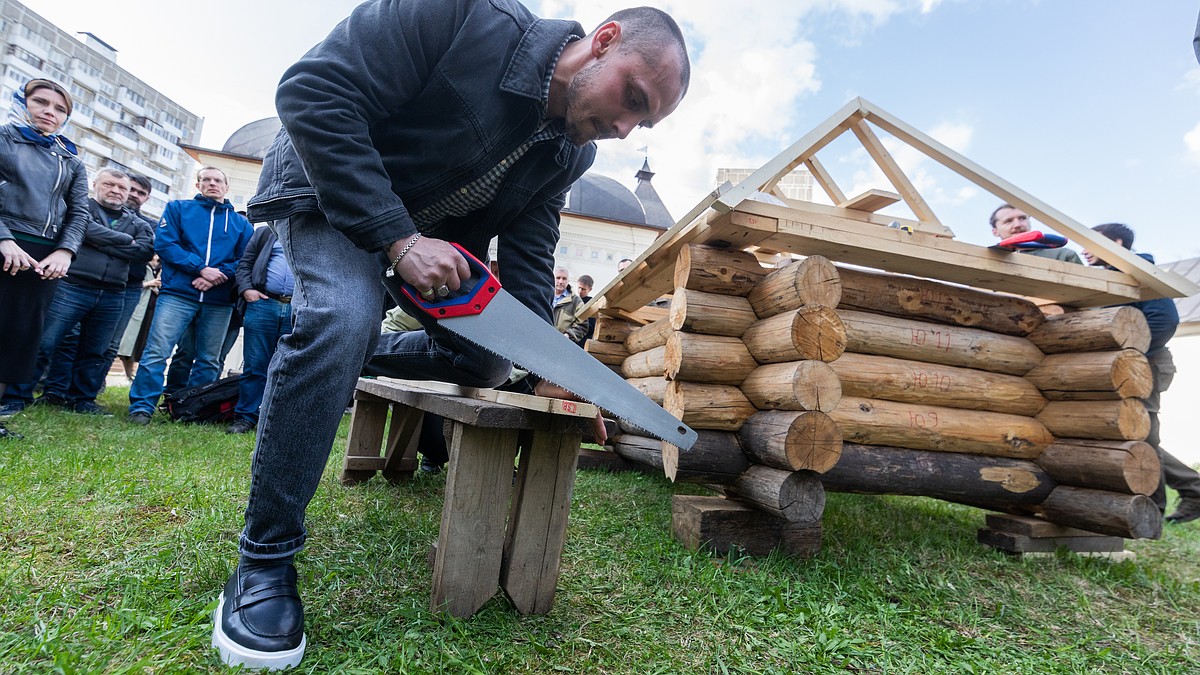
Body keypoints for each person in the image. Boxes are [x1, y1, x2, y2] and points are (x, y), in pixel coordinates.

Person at [211, 1, 690, 669]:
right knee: (341, 315)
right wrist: (398, 237)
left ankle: (354, 359)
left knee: (494, 362)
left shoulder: (567, 155)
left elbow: (527, 271)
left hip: (425, 243)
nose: (625, 126)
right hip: (327, 186)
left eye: (644, 121)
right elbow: (312, 92)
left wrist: (555, 369)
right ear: (604, 41)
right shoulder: (464, 16)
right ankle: (262, 563)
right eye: (632, 98)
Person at [3, 168, 153, 416]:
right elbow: (82, 231)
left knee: (96, 350)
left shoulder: (138, 222)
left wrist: (97, 241)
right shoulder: (80, 209)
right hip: (72, 286)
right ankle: (17, 396)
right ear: (95, 184)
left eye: (122, 187)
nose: (116, 190)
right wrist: (125, 240)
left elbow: (145, 252)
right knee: (45, 342)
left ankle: (82, 400)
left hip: (113, 292)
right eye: (109, 184)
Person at [1081, 223, 1200, 524]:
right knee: (1139, 434)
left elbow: (1164, 321)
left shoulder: (1141, 271)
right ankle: (1194, 488)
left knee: (1144, 436)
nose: (1084, 248)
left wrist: (1130, 357)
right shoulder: (1110, 277)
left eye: (1091, 242)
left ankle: (1152, 511)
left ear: (1117, 243)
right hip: (1128, 364)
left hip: (1144, 364)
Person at [126, 167, 252, 425]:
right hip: (178, 294)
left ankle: (193, 410)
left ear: (227, 187)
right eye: (206, 179)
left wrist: (216, 275)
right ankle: (142, 407)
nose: (212, 183)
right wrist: (200, 269)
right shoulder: (177, 209)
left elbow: (244, 259)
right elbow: (165, 244)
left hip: (218, 300)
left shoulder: (240, 224)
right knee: (157, 351)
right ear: (198, 185)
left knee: (208, 358)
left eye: (218, 180)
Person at [0, 79, 90, 439]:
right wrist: (4, 239)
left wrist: (65, 252)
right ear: (23, 103)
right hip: (6, 243)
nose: (49, 112)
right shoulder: (4, 138)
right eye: (41, 103)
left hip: (42, 259)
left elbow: (79, 213)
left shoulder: (72, 160)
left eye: (59, 109)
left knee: (17, 338)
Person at [228, 225, 295, 435]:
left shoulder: (312, 234)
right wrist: (247, 290)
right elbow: (245, 264)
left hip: (298, 308)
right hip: (263, 304)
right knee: (255, 364)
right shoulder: (265, 233)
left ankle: (277, 421)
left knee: (290, 367)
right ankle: (246, 416)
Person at [989, 204, 1083, 264]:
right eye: (1008, 221)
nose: (1017, 225)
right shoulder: (988, 257)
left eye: (1022, 218)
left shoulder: (1063, 255)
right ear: (995, 231)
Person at [553, 266, 588, 342]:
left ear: (568, 280)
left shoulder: (576, 302)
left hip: (561, 344)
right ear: (553, 278)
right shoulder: (544, 294)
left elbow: (582, 324)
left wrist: (568, 335)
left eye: (564, 278)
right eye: (558, 278)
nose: (561, 281)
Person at [574, 273, 596, 346]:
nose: (580, 291)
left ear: (590, 289)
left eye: (583, 289)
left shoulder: (592, 304)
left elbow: (590, 327)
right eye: (579, 288)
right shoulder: (573, 301)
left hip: (581, 342)